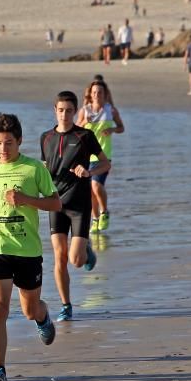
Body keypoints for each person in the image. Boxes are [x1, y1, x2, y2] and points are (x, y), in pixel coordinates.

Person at [0, 113, 61, 381]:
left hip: (27, 250)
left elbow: (55, 203)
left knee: (29, 309)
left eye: (8, 143)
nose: (3, 149)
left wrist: (26, 200)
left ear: (19, 141)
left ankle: (43, 316)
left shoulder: (33, 169)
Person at [40, 92, 110, 322]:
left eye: (69, 110)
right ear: (55, 110)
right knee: (59, 257)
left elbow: (105, 163)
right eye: (61, 110)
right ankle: (66, 305)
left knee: (75, 260)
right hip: (56, 203)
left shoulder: (84, 136)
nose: (65, 115)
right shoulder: (46, 138)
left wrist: (89, 171)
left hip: (79, 204)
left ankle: (85, 249)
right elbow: (42, 169)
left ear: (75, 111)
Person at [76, 77, 124, 232]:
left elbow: (121, 127)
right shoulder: (85, 111)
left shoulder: (111, 110)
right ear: (90, 94)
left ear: (105, 94)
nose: (97, 95)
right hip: (86, 157)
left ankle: (104, 212)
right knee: (90, 191)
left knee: (96, 186)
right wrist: (84, 122)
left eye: (100, 92)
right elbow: (75, 129)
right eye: (94, 92)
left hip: (103, 156)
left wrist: (112, 129)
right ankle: (95, 219)